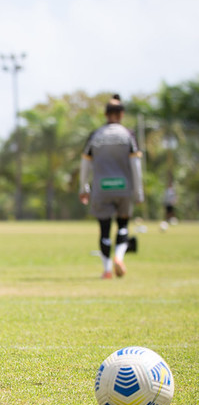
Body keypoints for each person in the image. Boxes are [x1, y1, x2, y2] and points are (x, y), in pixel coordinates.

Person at [79, 94, 144, 279]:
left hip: (101, 188)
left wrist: (83, 188)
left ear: (106, 114)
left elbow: (85, 164)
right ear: (122, 114)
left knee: (104, 229)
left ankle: (107, 270)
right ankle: (119, 256)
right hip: (124, 188)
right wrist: (138, 192)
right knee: (123, 225)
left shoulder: (96, 135)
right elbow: (136, 166)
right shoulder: (128, 135)